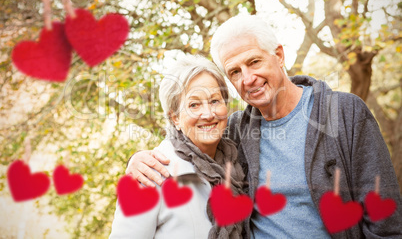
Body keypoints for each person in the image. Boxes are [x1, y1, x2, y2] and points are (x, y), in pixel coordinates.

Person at [126, 14, 402, 238]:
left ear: (279, 56)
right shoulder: (234, 129)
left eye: (254, 61)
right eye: (235, 71)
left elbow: (385, 221)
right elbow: (190, 143)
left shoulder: (345, 113)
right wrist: (138, 161)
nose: (248, 78)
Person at [110, 55, 247, 238]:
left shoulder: (237, 165)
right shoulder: (149, 174)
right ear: (175, 118)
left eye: (214, 101)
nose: (208, 114)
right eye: (194, 105)